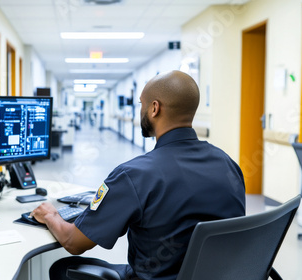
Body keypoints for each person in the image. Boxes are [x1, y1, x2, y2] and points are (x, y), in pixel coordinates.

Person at [30, 70, 246, 280]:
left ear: (154, 108)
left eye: (141, 104)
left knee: (63, 268)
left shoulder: (133, 175)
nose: (140, 110)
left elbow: (73, 242)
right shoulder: (229, 166)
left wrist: (50, 215)